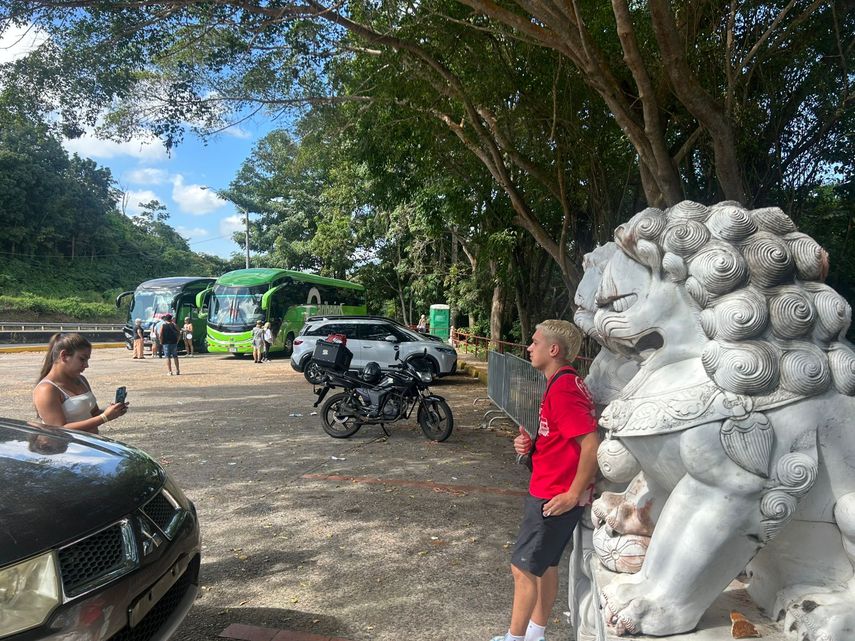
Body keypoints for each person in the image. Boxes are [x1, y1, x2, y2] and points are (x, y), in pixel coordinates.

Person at [491, 320, 599, 641]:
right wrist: (530, 444)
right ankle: (536, 633)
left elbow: (590, 444)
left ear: (554, 350)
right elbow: (561, 435)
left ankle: (516, 638)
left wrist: (573, 493)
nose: (529, 347)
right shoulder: (562, 382)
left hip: (552, 495)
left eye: (535, 342)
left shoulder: (564, 388)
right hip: (548, 487)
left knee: (522, 569)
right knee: (545, 565)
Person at [33, 333, 128, 434]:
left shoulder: (81, 380)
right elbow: (58, 429)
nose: (86, 365)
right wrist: (104, 417)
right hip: (69, 448)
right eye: (82, 359)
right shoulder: (46, 389)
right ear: (64, 356)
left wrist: (113, 411)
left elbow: (92, 413)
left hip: (90, 445)